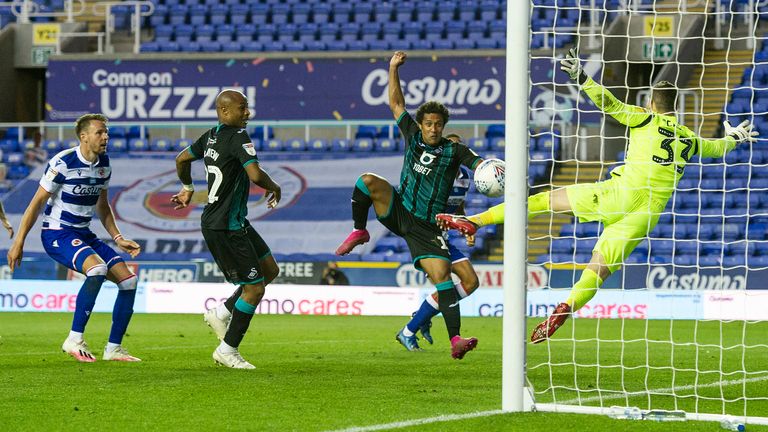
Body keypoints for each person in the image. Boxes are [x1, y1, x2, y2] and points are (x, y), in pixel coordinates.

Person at [437, 48, 758, 344]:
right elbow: (716, 148)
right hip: (646, 215)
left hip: (620, 193)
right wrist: (735, 137)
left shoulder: (646, 118)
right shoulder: (689, 138)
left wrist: (582, 78)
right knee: (596, 270)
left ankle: (475, 221)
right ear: (676, 105)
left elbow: (610, 104)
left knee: (544, 200)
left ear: (651, 102)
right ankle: (565, 306)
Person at [335, 51, 483, 359]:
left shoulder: (454, 151)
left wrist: (489, 168)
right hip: (401, 209)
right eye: (428, 123)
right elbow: (396, 103)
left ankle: (454, 339)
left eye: (437, 124)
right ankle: (359, 230)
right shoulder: (412, 135)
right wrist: (392, 68)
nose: (432, 129)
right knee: (366, 181)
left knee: (443, 279)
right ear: (422, 124)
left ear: (443, 126)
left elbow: (477, 163)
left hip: (426, 229)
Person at [7, 113, 142, 362]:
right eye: (100, 132)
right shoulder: (63, 162)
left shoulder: (104, 164)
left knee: (128, 281)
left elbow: (103, 207)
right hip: (57, 233)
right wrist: (18, 242)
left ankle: (113, 349)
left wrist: (118, 237)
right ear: (84, 136)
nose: (106, 136)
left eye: (106, 132)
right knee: (98, 269)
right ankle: (74, 339)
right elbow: (36, 204)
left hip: (84, 234)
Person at [172, 89, 282, 370]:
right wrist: (274, 186)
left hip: (233, 221)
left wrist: (187, 188)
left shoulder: (211, 135)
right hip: (225, 226)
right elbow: (255, 175)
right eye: (242, 108)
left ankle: (220, 312)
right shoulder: (238, 137)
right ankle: (228, 350)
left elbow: (182, 159)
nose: (248, 113)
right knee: (254, 290)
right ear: (224, 111)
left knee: (270, 270)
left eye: (247, 107)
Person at [396, 134, 480, 351]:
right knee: (446, 286)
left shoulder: (464, 177)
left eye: (457, 148)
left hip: (444, 238)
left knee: (471, 282)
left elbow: (458, 207)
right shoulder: (433, 175)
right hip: (426, 237)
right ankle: (408, 331)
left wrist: (466, 227)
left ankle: (423, 316)